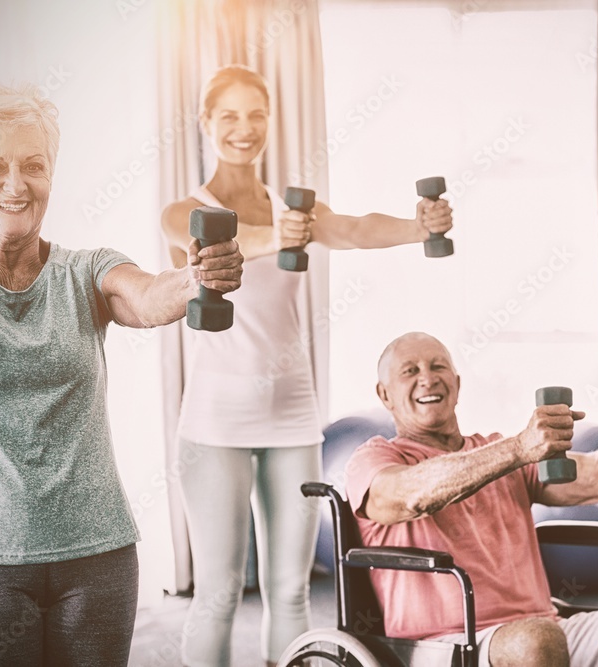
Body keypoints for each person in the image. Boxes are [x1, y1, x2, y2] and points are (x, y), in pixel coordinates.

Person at [0, 82, 243, 666]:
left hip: (98, 558)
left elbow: (145, 297)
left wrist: (194, 280)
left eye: (34, 165)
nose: (16, 185)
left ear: (52, 176)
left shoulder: (85, 272)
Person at [160, 64, 453, 667]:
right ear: (206, 123)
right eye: (230, 116)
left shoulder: (289, 207)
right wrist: (285, 235)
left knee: (291, 591)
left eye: (257, 115)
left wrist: (415, 227)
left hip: (291, 416)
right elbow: (223, 243)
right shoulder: (184, 212)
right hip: (214, 424)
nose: (245, 128)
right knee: (216, 592)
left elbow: (352, 228)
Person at [344, 331, 598, 667]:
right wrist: (519, 448)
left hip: (543, 630)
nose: (427, 377)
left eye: (438, 366)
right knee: (536, 644)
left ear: (457, 383)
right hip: (442, 645)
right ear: (385, 394)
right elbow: (411, 496)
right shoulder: (373, 458)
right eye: (410, 371)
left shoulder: (498, 451)